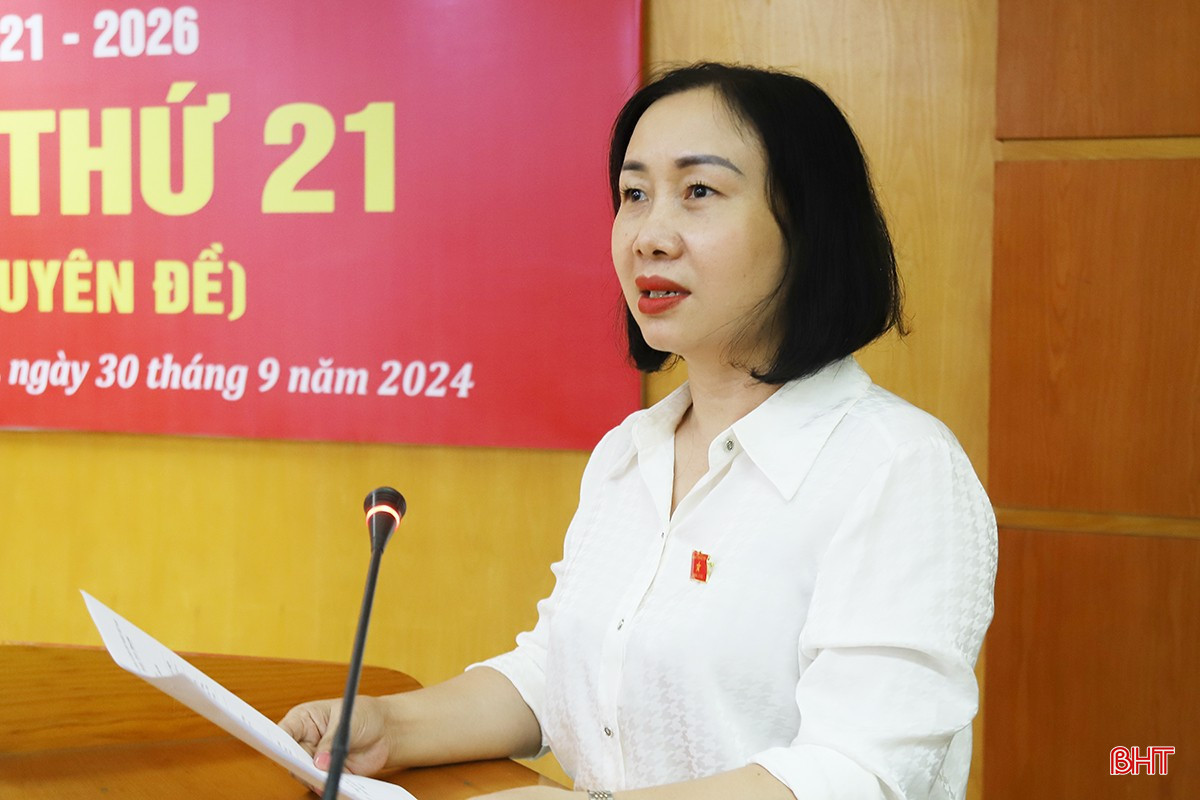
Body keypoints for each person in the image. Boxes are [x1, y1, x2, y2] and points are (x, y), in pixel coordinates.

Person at [280, 63, 997, 800]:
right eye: (634, 195)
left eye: (699, 192)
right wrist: (389, 726)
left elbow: (856, 774)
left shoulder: (898, 470)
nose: (650, 236)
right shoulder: (631, 452)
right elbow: (564, 673)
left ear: (808, 226)